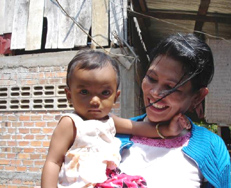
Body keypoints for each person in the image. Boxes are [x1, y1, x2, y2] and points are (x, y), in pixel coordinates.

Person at [41, 50, 189, 188]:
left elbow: (137, 128)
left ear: (115, 97)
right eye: (84, 92)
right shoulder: (71, 123)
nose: (94, 100)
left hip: (106, 182)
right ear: (69, 95)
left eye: (104, 92)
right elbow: (53, 162)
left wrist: (167, 130)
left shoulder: (110, 121)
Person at [114, 33, 231, 188]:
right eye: (151, 78)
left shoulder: (211, 148)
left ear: (197, 97)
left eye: (170, 87)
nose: (155, 92)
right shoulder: (113, 135)